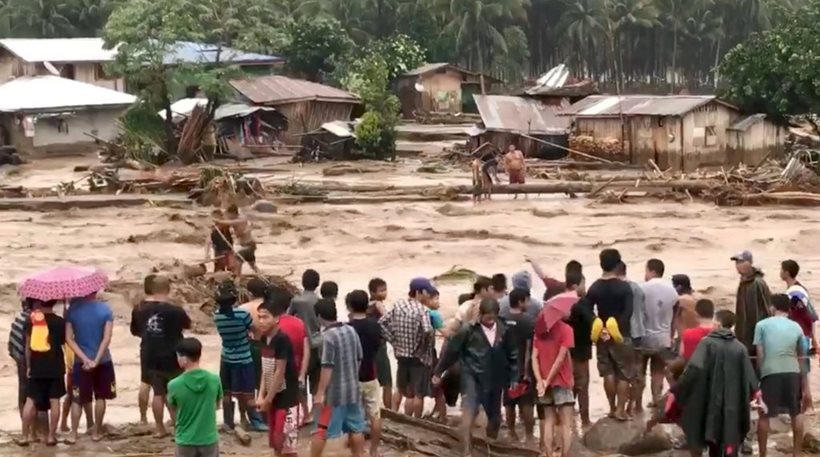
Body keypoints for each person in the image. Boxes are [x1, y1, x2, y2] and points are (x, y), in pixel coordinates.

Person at [434, 298, 517, 457]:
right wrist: (439, 372)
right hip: (471, 376)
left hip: (495, 378)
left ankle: (489, 448)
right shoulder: (468, 330)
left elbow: (513, 354)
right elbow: (451, 352)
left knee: (495, 419)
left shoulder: (505, 329)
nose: (490, 321)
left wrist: (513, 378)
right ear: (480, 315)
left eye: (493, 318)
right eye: (487, 318)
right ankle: (466, 452)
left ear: (497, 315)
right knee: (468, 415)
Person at [674, 310, 758, 457]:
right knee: (729, 443)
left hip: (705, 404)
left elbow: (693, 370)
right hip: (732, 407)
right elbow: (750, 380)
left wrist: (678, 389)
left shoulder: (706, 344)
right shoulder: (740, 348)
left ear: (718, 324)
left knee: (700, 437)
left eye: (713, 322)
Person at [131, 274, 191, 439]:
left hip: (149, 353)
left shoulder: (139, 308)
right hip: (173, 354)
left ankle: (159, 428)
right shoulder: (175, 310)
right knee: (175, 390)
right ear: (168, 289)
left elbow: (135, 331)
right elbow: (187, 326)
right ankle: (179, 424)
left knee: (158, 392)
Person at [754, 294, 808, 457]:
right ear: (789, 309)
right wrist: (803, 382)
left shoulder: (761, 325)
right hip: (792, 372)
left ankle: (763, 454)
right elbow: (800, 356)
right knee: (796, 412)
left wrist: (759, 376)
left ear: (772, 308)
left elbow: (760, 354)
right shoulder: (797, 327)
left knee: (764, 415)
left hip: (770, 372)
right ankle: (797, 453)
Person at [311, 299, 366, 457]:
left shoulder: (327, 337)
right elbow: (359, 357)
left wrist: (320, 393)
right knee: (356, 428)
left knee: (322, 429)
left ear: (319, 316)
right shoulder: (350, 330)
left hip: (334, 395)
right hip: (353, 390)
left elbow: (327, 366)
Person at [586, 249, 635, 421]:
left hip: (601, 335)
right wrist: (615, 329)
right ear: (617, 264)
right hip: (621, 334)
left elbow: (584, 308)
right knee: (623, 373)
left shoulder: (595, 287)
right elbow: (628, 312)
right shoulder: (624, 287)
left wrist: (600, 326)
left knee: (607, 371)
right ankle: (621, 410)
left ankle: (612, 407)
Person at [532, 277, 578, 457]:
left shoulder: (539, 331)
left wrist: (540, 381)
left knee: (549, 420)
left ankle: (549, 454)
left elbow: (534, 358)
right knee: (566, 423)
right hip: (561, 380)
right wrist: (550, 379)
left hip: (544, 382)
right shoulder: (566, 330)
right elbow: (561, 359)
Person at [213, 280, 267, 431]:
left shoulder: (217, 316)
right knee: (248, 393)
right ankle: (255, 421)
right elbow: (255, 329)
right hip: (244, 357)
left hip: (226, 357)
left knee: (227, 392)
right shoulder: (242, 314)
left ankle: (228, 422)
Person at [379, 278, 436, 417]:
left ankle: (394, 415)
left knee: (401, 389)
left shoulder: (398, 305)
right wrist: (424, 347)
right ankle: (417, 420)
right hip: (418, 358)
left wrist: (393, 340)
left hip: (401, 355)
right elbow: (428, 331)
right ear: (419, 292)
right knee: (418, 394)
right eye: (426, 292)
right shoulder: (422, 310)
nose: (428, 295)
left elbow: (381, 323)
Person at [65, 293, 115, 443]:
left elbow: (68, 339)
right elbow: (107, 339)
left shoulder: (72, 311)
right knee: (101, 397)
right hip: (104, 360)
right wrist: (96, 359)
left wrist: (85, 359)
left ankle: (73, 433)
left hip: (81, 362)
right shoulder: (105, 309)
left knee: (77, 399)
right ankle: (96, 432)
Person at [257, 290, 301, 457]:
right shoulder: (263, 338)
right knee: (275, 441)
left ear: (276, 319)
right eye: (259, 317)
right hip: (272, 395)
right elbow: (265, 368)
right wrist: (262, 394)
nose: (261, 321)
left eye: (265, 317)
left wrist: (268, 399)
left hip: (286, 398)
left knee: (287, 445)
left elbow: (279, 371)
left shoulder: (282, 339)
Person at [168, 338, 222, 457]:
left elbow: (173, 409)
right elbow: (217, 405)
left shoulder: (174, 385)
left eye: (178, 356)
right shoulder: (214, 380)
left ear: (184, 359)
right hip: (209, 438)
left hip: (185, 439)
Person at [21, 299, 65, 446]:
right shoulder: (60, 322)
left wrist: (28, 366)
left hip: (36, 365)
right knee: (55, 401)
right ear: (54, 302)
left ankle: (25, 436)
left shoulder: (32, 320)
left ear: (40, 302)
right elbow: (63, 342)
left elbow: (28, 347)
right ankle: (51, 436)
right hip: (55, 366)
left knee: (30, 400)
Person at [636, 258, 679, 410]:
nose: (645, 274)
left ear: (652, 271)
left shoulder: (641, 288)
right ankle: (656, 401)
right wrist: (671, 335)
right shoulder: (672, 291)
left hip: (644, 337)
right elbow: (675, 316)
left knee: (639, 371)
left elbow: (636, 314)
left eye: (646, 271)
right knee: (658, 372)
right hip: (663, 337)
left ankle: (638, 404)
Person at [347, 290, 383, 457]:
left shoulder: (348, 329)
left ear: (349, 306)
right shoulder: (375, 326)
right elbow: (378, 346)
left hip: (352, 378)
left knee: (355, 420)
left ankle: (358, 453)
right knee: (375, 415)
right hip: (370, 375)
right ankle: (374, 451)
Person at [503, 288, 537, 444]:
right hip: (523, 368)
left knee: (509, 402)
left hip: (506, 368)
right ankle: (529, 435)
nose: (528, 303)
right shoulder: (528, 321)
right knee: (527, 403)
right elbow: (530, 348)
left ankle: (511, 432)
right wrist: (527, 371)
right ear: (521, 301)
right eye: (527, 300)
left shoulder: (501, 319)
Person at [289, 269, 323, 413]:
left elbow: (288, 317)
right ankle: (316, 412)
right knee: (316, 380)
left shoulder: (296, 301)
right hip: (317, 342)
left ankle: (304, 410)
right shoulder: (320, 301)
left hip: (301, 343)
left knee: (300, 379)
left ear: (302, 282)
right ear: (317, 284)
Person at [731, 250, 772, 357]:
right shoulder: (744, 282)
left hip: (755, 337)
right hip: (744, 336)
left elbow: (766, 309)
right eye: (736, 263)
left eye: (741, 262)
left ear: (749, 263)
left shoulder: (757, 283)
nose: (737, 265)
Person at [567, 278, 594, 428]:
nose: (585, 287)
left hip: (566, 350)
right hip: (582, 349)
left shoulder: (561, 302)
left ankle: (568, 415)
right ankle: (585, 419)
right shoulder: (582, 303)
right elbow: (591, 321)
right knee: (583, 385)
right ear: (575, 285)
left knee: (570, 385)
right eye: (583, 283)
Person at [367, 278, 393, 410]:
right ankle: (389, 410)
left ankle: (374, 408)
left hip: (369, 347)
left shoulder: (367, 305)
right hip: (380, 348)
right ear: (372, 292)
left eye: (385, 289)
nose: (384, 293)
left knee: (372, 380)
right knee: (387, 383)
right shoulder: (378, 304)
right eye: (381, 290)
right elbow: (388, 318)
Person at [781, 259, 818, 352]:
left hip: (800, 335)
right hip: (799, 334)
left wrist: (813, 338)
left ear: (787, 273)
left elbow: (809, 314)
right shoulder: (794, 290)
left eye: (781, 270)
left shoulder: (796, 292)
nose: (780, 272)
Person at [239, 278, 269, 392]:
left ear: (249, 292)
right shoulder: (271, 307)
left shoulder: (243, 309)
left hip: (251, 346)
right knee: (266, 383)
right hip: (270, 345)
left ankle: (250, 409)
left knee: (250, 385)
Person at [214, 204, 258, 275]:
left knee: (237, 258)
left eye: (229, 214)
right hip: (247, 245)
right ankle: (261, 275)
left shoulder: (240, 220)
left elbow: (229, 222)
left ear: (233, 213)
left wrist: (217, 220)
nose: (228, 216)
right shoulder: (237, 218)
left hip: (249, 245)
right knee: (252, 265)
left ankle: (237, 278)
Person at [9, 300, 31, 431]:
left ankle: (25, 428)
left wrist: (19, 359)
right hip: (37, 362)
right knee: (35, 396)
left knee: (23, 394)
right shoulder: (38, 319)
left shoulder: (18, 320)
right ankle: (36, 429)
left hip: (20, 361)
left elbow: (11, 345)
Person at [672, 274, 697, 352]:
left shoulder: (680, 300)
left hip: (684, 338)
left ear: (679, 287)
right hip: (697, 336)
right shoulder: (695, 298)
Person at [206, 208, 235, 273]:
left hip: (227, 251)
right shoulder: (214, 229)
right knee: (220, 269)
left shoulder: (224, 225)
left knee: (230, 269)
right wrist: (207, 255)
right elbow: (208, 241)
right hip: (220, 252)